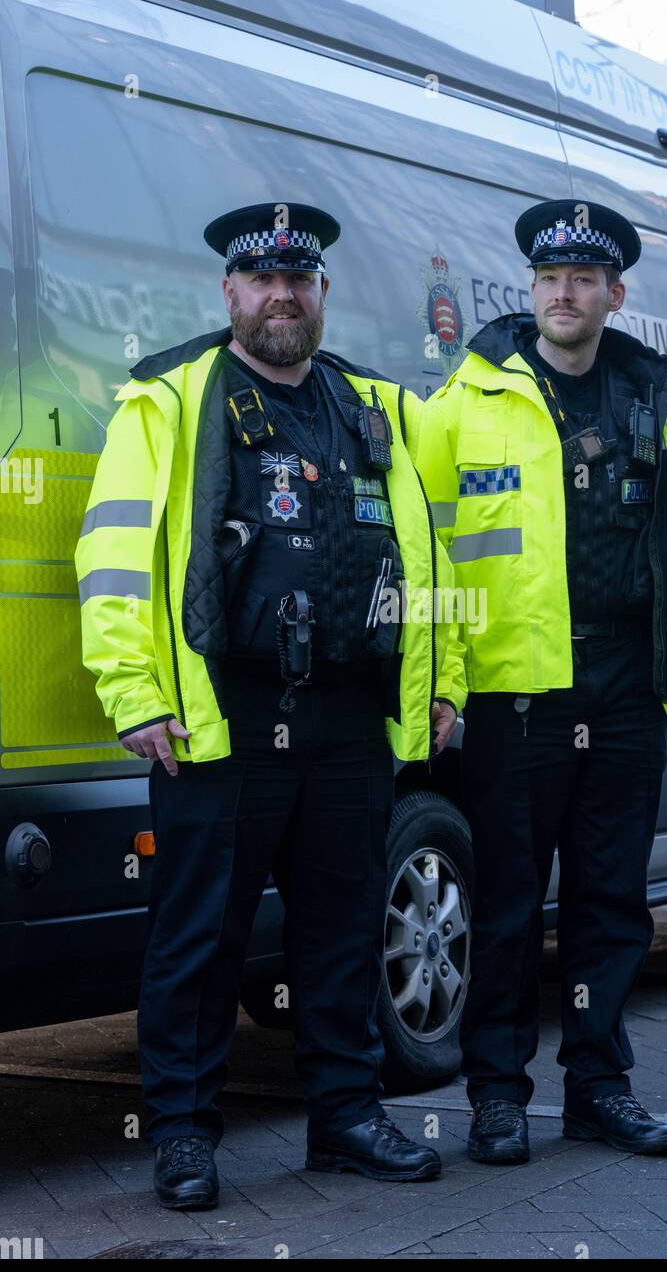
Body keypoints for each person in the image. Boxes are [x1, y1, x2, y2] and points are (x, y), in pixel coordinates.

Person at [74, 202, 466, 1206]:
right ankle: (183, 1135)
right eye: (263, 280)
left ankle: (343, 1117)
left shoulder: (372, 407)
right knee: (198, 938)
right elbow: (113, 556)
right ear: (230, 292)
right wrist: (131, 691)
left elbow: (428, 559)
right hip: (220, 717)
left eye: (300, 279)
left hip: (348, 718)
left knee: (339, 931)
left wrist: (439, 686)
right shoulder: (169, 398)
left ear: (321, 294)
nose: (281, 295)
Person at [407, 197, 667, 1163]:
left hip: (627, 688)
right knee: (509, 904)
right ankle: (497, 1097)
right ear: (532, 289)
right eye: (550, 278)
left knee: (611, 901)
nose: (565, 293)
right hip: (519, 696)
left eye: (584, 279)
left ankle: (599, 1085)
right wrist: (443, 684)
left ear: (613, 294)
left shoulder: (659, 401)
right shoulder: (464, 405)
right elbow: (432, 563)